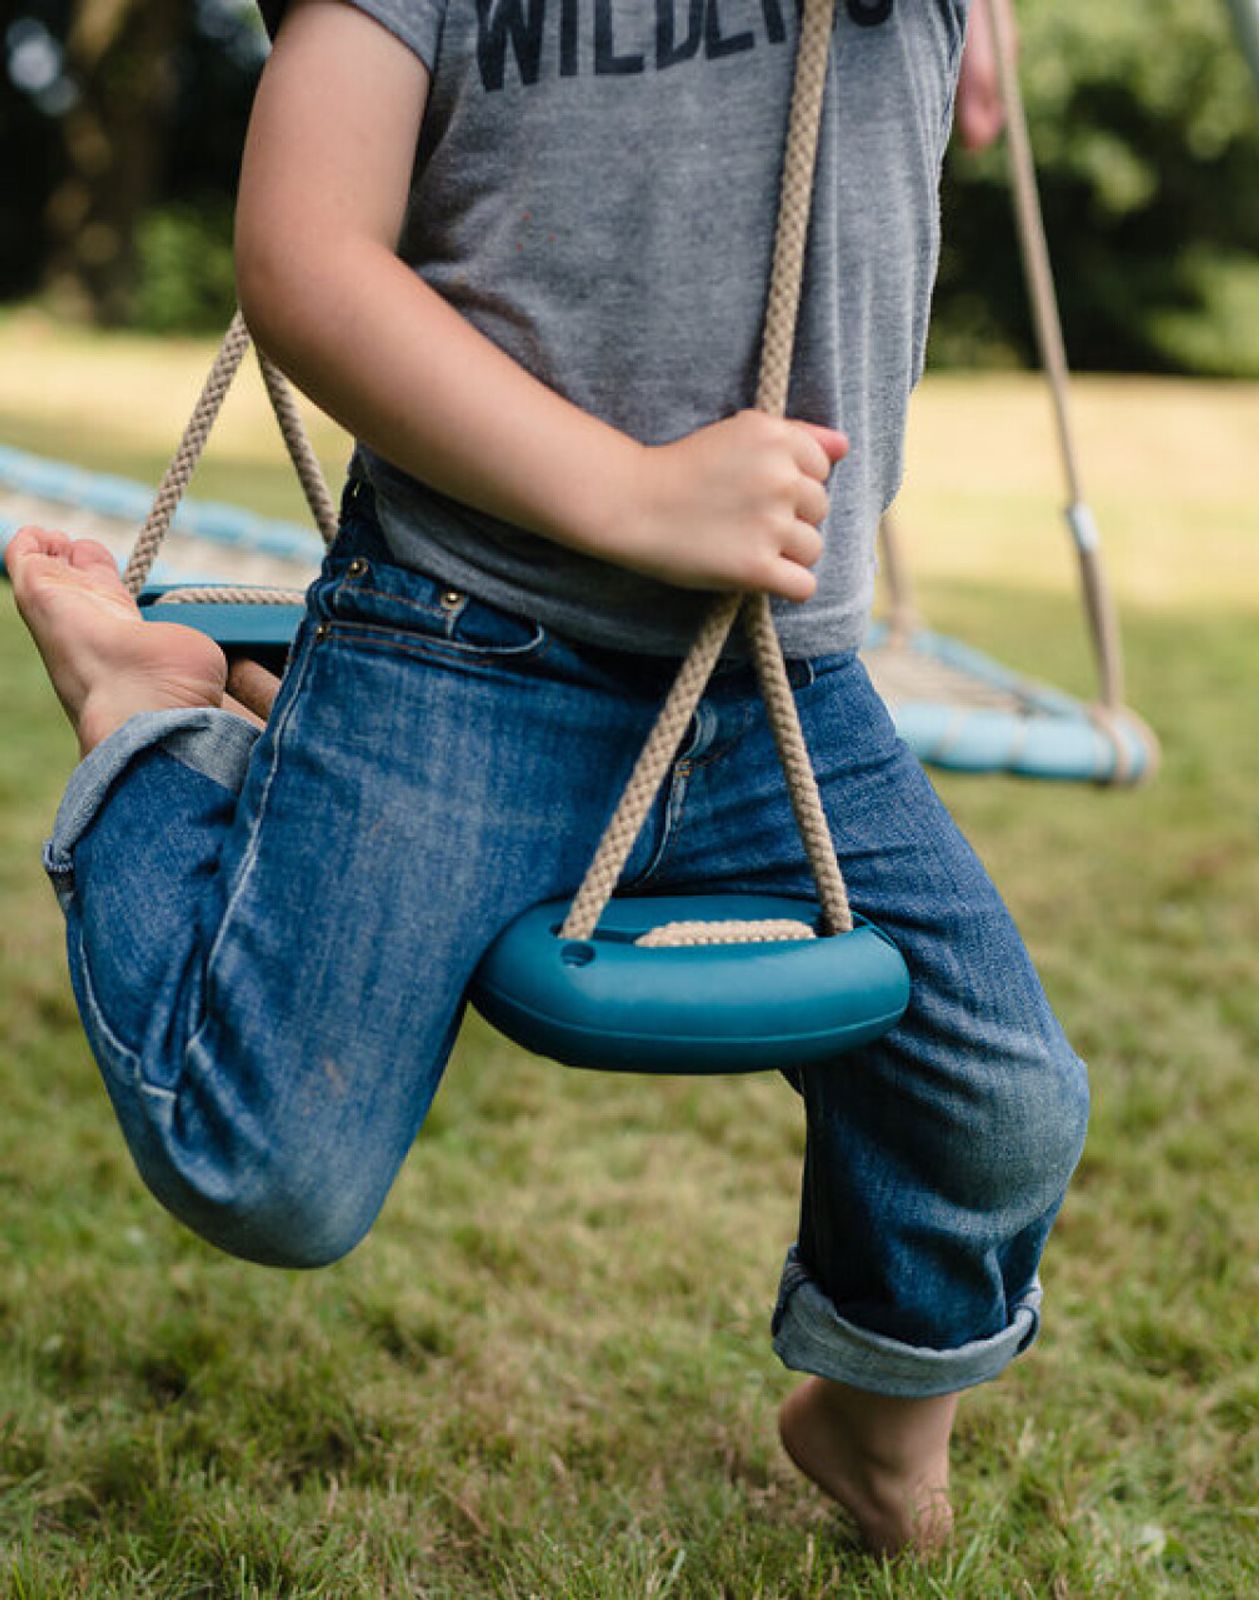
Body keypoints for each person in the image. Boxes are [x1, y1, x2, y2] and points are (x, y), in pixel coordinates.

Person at [6, 0, 1085, 1557]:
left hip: (780, 682)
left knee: (1002, 1108)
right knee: (265, 1169)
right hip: (463, 637)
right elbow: (306, 254)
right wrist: (633, 496)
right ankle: (147, 715)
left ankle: (872, 1406)